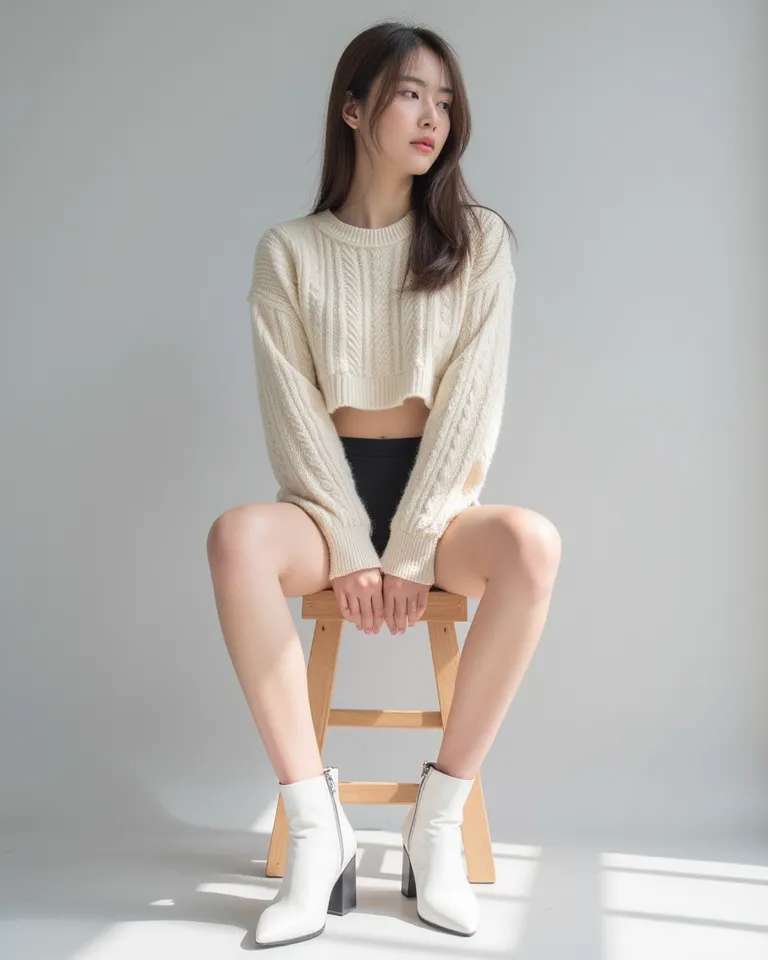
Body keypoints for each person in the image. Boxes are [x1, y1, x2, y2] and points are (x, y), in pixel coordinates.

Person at [206, 18, 562, 949]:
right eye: (411, 93)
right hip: (327, 500)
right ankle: (316, 831)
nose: (433, 116)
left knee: (532, 545)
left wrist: (407, 549)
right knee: (236, 538)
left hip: (436, 502)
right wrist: (358, 550)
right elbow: (295, 421)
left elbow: (468, 417)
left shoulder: (477, 244)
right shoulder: (287, 252)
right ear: (354, 107)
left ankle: (436, 819)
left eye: (446, 101)